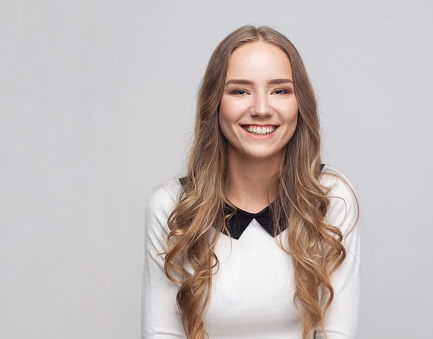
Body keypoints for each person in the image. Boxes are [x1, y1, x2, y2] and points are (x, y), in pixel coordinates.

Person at [142, 25, 360, 339]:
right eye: (240, 90)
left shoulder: (331, 197)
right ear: (214, 104)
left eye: (280, 90)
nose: (261, 109)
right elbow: (161, 333)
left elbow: (338, 333)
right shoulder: (171, 206)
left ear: (300, 104)